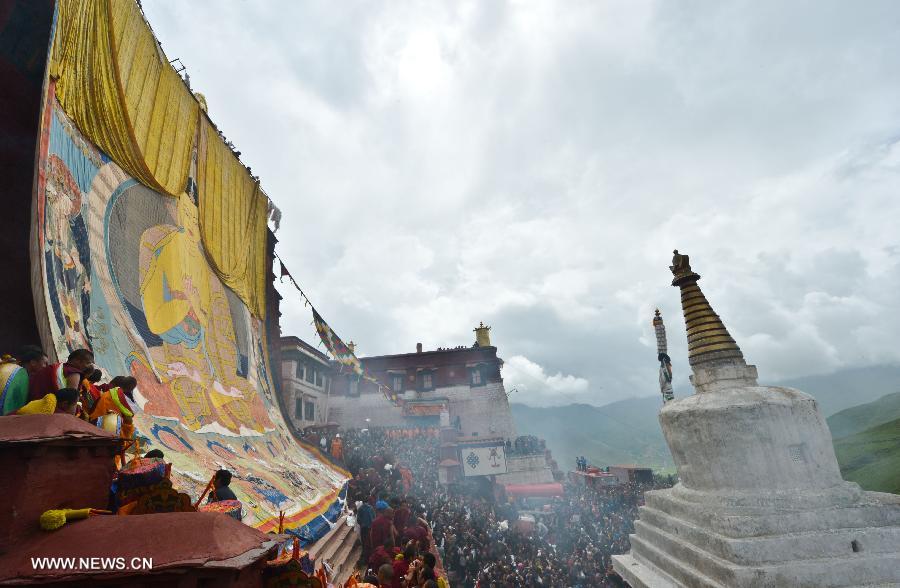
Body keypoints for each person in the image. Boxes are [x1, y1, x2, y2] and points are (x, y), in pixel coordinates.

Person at [28, 348, 93, 402]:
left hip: (29, 398)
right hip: (42, 408)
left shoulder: (57, 366)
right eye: (88, 363)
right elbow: (71, 402)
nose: (88, 366)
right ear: (78, 361)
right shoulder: (74, 373)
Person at [89, 376, 137, 442]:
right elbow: (127, 431)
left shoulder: (108, 394)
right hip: (112, 440)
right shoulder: (130, 408)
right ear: (131, 389)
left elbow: (93, 410)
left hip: (94, 431)